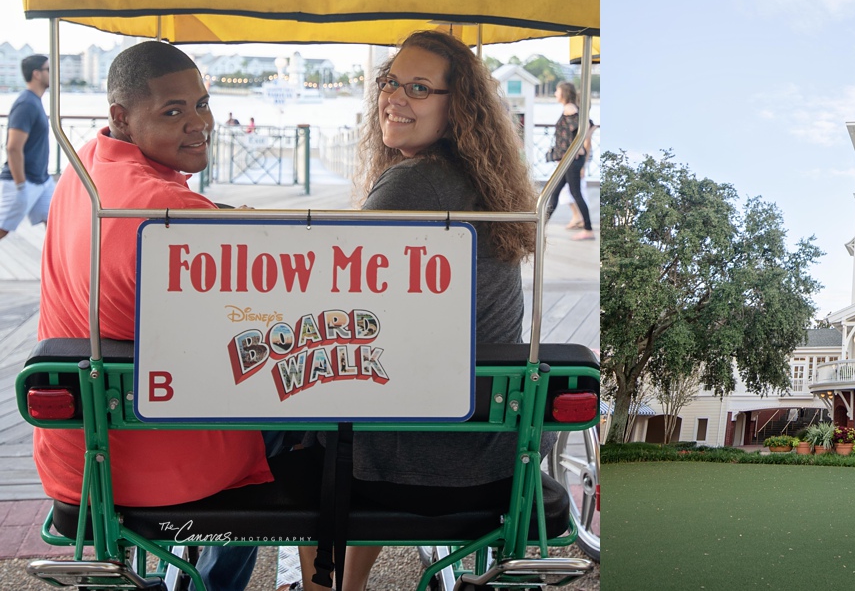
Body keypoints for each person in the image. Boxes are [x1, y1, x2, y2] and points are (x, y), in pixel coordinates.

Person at [297, 30, 538, 591]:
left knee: (288, 428)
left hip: (430, 456)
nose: (394, 97)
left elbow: (323, 293)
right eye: (390, 81)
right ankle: (348, 584)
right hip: (495, 446)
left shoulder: (416, 181)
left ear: (458, 109)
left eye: (419, 88)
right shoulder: (472, 178)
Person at [35, 41, 274, 591]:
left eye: (202, 104)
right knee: (325, 412)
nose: (199, 123)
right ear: (121, 116)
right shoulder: (176, 218)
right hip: (166, 463)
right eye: (173, 111)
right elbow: (255, 338)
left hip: (79, 456)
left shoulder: (86, 166)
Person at [0, 55, 55, 241]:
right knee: (2, 229)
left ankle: (56, 268)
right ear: (37, 74)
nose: (53, 73)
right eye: (49, 69)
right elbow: (13, 147)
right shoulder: (26, 104)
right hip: (22, 181)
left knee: (55, 222)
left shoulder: (34, 101)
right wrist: (21, 185)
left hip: (42, 180)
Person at [544, 80, 594, 240]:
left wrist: (577, 147)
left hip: (571, 160)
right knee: (555, 192)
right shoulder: (571, 109)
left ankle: (588, 229)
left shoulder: (570, 109)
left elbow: (585, 127)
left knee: (573, 193)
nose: (555, 94)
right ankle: (539, 225)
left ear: (564, 93)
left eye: (557, 91)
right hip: (569, 160)